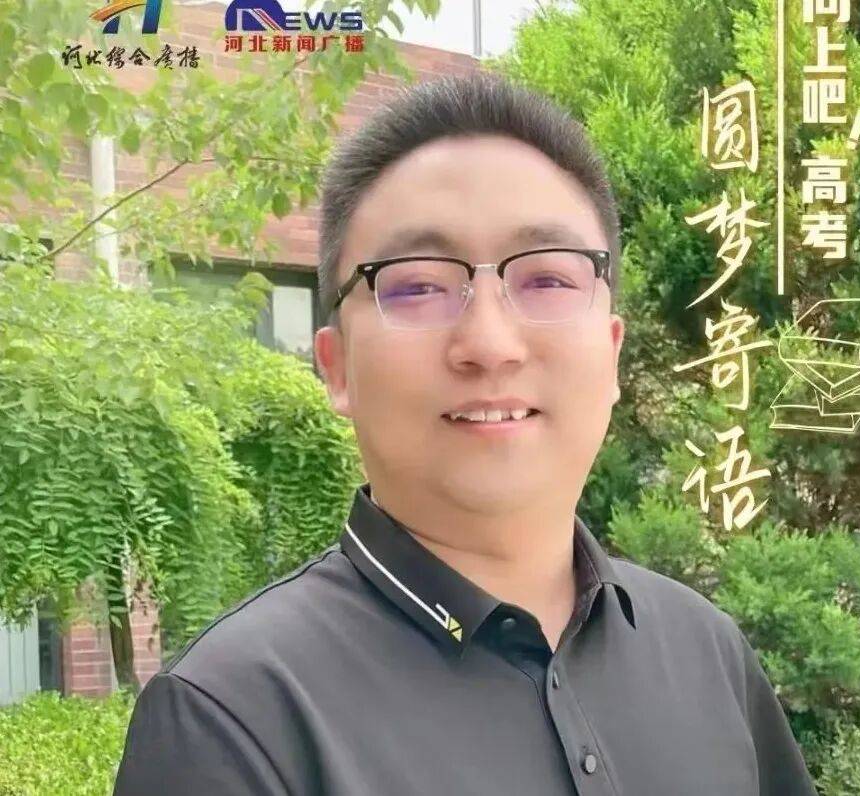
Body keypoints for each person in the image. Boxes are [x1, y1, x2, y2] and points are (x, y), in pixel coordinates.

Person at [113, 72, 818, 795]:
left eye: (547, 279)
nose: (489, 343)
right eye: (418, 286)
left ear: (612, 353)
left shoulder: (707, 653)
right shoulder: (231, 720)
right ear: (337, 367)